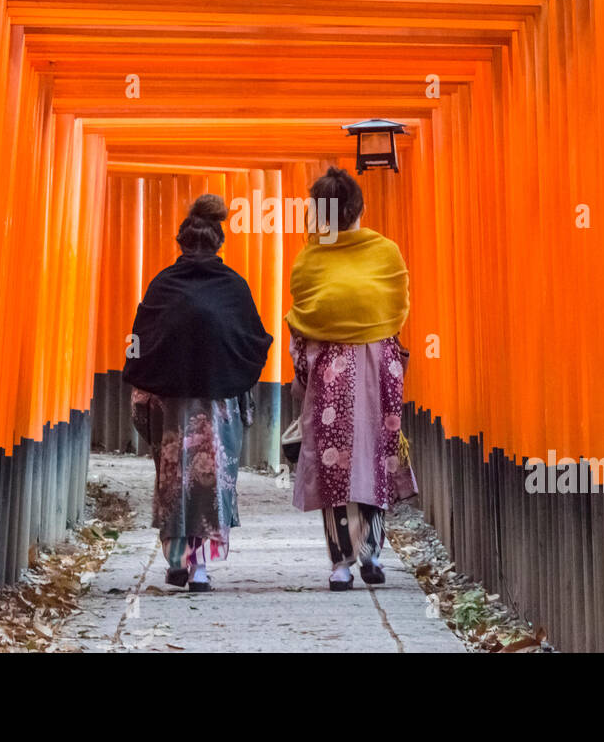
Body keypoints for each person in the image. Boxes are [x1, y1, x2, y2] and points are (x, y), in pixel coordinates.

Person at [123, 194, 273, 592]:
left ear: (181, 243)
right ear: (219, 242)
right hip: (217, 404)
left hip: (172, 407)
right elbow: (254, 340)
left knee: (174, 478)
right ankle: (200, 566)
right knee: (210, 480)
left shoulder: (162, 285)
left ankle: (176, 560)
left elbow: (138, 341)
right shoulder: (234, 287)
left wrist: (146, 390)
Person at [285, 167, 417, 591]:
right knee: (375, 455)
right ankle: (373, 552)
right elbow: (397, 309)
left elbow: (303, 323)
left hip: (330, 371)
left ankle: (341, 562)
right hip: (381, 367)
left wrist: (302, 377)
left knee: (335, 461)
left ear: (319, 214)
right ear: (359, 208)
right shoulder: (386, 253)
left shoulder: (310, 258)